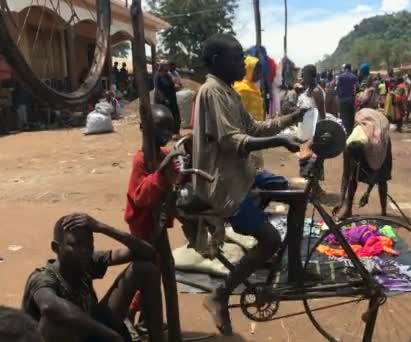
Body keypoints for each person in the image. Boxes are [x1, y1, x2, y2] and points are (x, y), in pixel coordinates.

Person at [192, 34, 307, 335]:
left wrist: (290, 119)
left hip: (244, 174)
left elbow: (254, 128)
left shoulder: (228, 92)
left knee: (299, 192)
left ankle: (294, 270)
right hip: (226, 186)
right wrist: (279, 140)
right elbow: (233, 142)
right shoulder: (212, 92)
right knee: (270, 241)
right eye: (237, 57)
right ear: (218, 61)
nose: (243, 63)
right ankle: (220, 293)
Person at [22, 213, 164, 342]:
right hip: (69, 335)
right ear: (56, 248)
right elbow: (49, 306)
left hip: (88, 333)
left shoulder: (87, 261)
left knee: (144, 269)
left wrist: (102, 228)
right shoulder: (42, 277)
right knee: (54, 322)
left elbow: (148, 252)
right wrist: (109, 334)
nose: (84, 251)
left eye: (89, 245)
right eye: (75, 245)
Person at [124, 104, 179, 329]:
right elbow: (141, 197)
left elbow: (175, 180)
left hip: (159, 222)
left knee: (164, 266)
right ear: (145, 130)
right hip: (143, 224)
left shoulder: (164, 154)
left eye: (169, 130)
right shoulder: (141, 160)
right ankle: (129, 311)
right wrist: (161, 175)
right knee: (149, 269)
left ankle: (147, 318)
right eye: (161, 129)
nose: (166, 135)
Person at [335, 108, 392, 220]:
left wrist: (367, 193)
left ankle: (384, 212)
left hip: (379, 134)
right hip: (366, 130)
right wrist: (341, 202)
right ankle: (348, 209)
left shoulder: (378, 146)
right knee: (353, 176)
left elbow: (376, 169)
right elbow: (346, 175)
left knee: (382, 179)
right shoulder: (348, 147)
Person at [154, 64, 181, 137]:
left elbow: (174, 85)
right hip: (163, 101)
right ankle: (165, 133)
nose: (167, 68)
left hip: (171, 99)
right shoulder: (158, 76)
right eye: (165, 66)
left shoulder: (168, 75)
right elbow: (158, 89)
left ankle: (175, 132)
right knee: (164, 117)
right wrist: (164, 99)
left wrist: (176, 85)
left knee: (175, 115)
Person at [337, 64, 358, 135]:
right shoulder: (354, 77)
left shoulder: (341, 76)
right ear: (350, 68)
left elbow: (338, 89)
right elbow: (355, 89)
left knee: (343, 117)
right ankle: (350, 133)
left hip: (343, 100)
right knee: (351, 117)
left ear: (345, 68)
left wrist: (339, 98)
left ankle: (344, 133)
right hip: (351, 100)